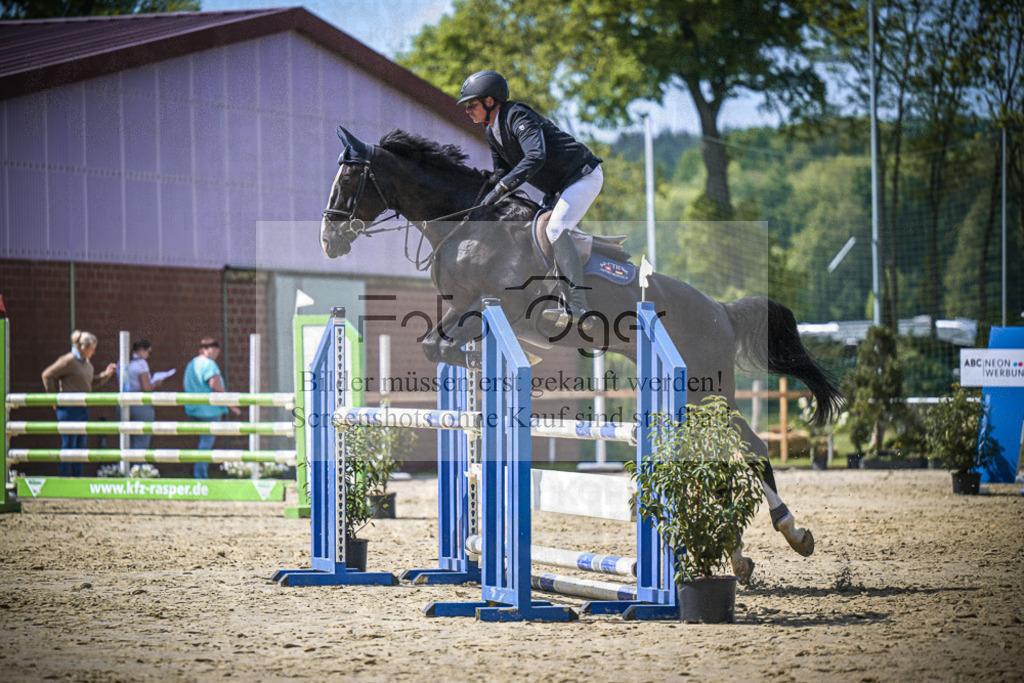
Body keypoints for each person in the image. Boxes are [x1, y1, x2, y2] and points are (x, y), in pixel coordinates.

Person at [458, 69, 604, 331]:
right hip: (558, 189)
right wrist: (477, 196)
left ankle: (580, 305)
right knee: (533, 234)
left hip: (583, 176)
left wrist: (501, 188)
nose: (467, 110)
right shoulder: (492, 131)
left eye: (472, 104)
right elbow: (501, 173)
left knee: (556, 229)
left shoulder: (517, 115)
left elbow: (535, 156)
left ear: (490, 101)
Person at [41, 330, 117, 477]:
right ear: (84, 348)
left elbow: (88, 383)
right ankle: (64, 478)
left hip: (82, 409)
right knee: (69, 445)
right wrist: (53, 398)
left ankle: (77, 479)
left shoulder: (87, 364)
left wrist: (105, 376)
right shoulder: (68, 360)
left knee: (80, 446)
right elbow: (47, 375)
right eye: (92, 349)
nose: (93, 353)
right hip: (68, 409)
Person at [183, 337, 240, 478]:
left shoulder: (191, 364)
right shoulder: (209, 364)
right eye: (212, 350)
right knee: (206, 444)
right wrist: (231, 405)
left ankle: (198, 473)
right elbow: (216, 386)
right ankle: (200, 476)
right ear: (204, 349)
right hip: (209, 410)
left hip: (192, 408)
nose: (215, 353)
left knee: (201, 443)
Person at [125, 339, 168, 450]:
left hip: (124, 403)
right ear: (141, 350)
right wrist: (156, 384)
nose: (148, 356)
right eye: (148, 352)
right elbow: (146, 388)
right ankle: (138, 467)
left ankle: (125, 466)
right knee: (141, 439)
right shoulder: (141, 364)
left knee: (125, 439)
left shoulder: (123, 362)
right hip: (139, 404)